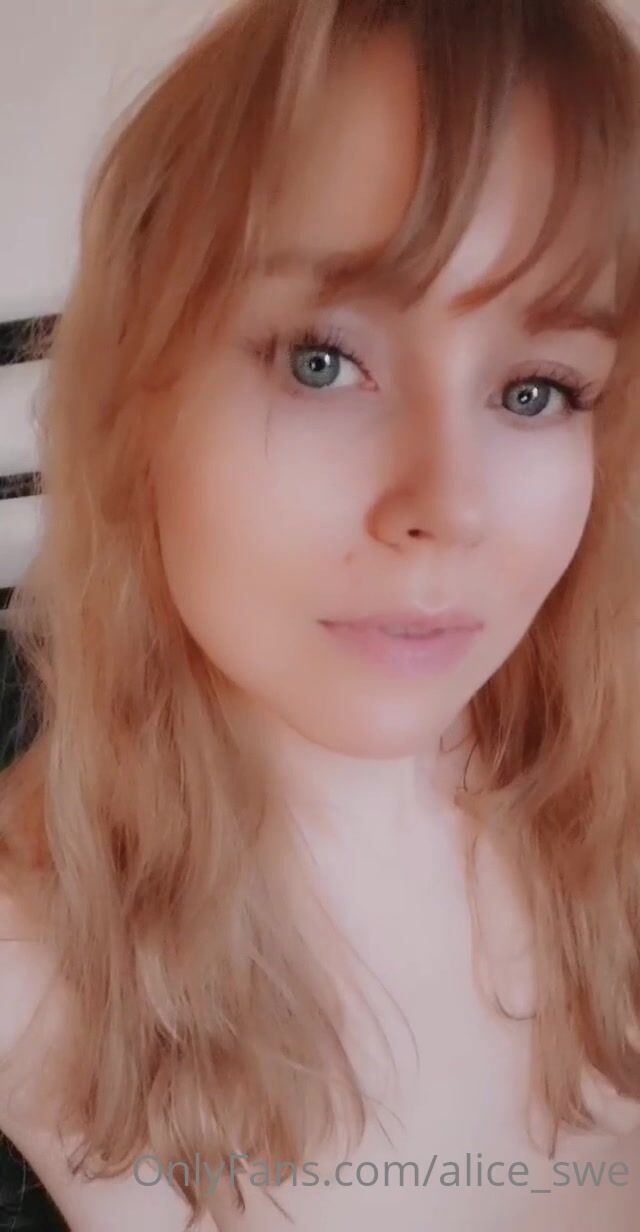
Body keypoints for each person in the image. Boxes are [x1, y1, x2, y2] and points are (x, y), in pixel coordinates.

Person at [2, 0, 640, 1227]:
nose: (446, 507)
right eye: (321, 361)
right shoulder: (26, 978)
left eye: (535, 387)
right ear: (135, 402)